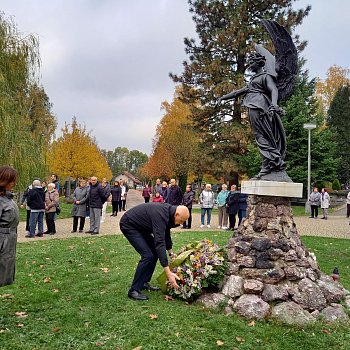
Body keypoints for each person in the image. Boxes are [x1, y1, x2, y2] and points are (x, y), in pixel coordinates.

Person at [119, 203, 190, 301]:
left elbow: (166, 234)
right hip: (129, 225)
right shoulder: (161, 215)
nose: (181, 224)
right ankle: (133, 290)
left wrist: (170, 253)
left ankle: (143, 282)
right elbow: (159, 243)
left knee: (154, 253)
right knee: (147, 255)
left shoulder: (169, 213)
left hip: (141, 228)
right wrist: (168, 272)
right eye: (181, 221)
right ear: (176, 214)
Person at [0, 166, 19, 287]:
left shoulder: (8, 198)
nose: (13, 183)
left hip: (9, 239)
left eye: (14, 180)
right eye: (11, 180)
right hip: (3, 240)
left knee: (4, 270)